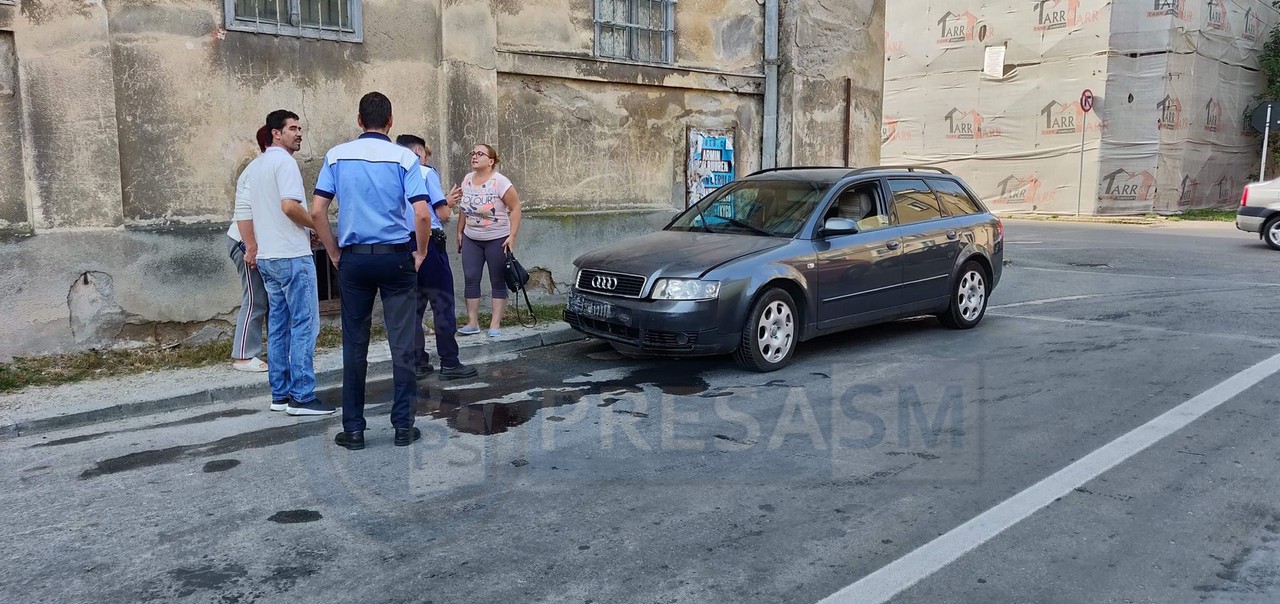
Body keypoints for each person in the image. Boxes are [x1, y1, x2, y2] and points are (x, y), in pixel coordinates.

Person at [311, 92, 433, 451]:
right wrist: (421, 251)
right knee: (402, 344)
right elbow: (422, 213)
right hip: (396, 258)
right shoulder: (404, 157)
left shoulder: (336, 155)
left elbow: (317, 211)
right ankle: (403, 427)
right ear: (390, 121)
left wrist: (333, 251)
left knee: (354, 345)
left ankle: (354, 430)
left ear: (359, 120)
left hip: (355, 259)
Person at [243, 110, 334, 417]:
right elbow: (289, 206)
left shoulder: (256, 166)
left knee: (279, 327)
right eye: (292, 128)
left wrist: (255, 246)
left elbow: (248, 212)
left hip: (269, 256)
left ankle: (280, 394)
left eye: (299, 128)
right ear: (276, 133)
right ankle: (302, 396)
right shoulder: (285, 162)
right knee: (305, 324)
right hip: (292, 256)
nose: (299, 134)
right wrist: (316, 225)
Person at [395, 134, 478, 381]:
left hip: (401, 243)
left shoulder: (392, 173)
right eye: (426, 153)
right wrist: (448, 202)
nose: (427, 158)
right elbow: (442, 214)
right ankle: (449, 362)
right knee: (442, 303)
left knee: (413, 307)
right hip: (429, 243)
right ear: (418, 152)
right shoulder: (425, 172)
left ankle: (418, 362)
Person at [453, 143, 522, 338]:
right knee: (471, 278)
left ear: (491, 161)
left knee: (497, 280)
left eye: (480, 154)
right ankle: (472, 323)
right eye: (473, 153)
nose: (474, 156)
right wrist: (459, 231)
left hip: (497, 238)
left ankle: (495, 324)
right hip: (471, 238)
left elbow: (515, 208)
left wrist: (512, 236)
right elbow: (464, 208)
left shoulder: (500, 182)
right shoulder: (467, 179)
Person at [225, 127, 272, 373]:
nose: (298, 134)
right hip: (245, 241)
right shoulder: (259, 169)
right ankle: (243, 355)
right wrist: (250, 247)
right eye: (292, 129)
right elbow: (244, 211)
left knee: (269, 299)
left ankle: (276, 350)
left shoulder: (268, 166)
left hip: (256, 241)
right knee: (255, 298)